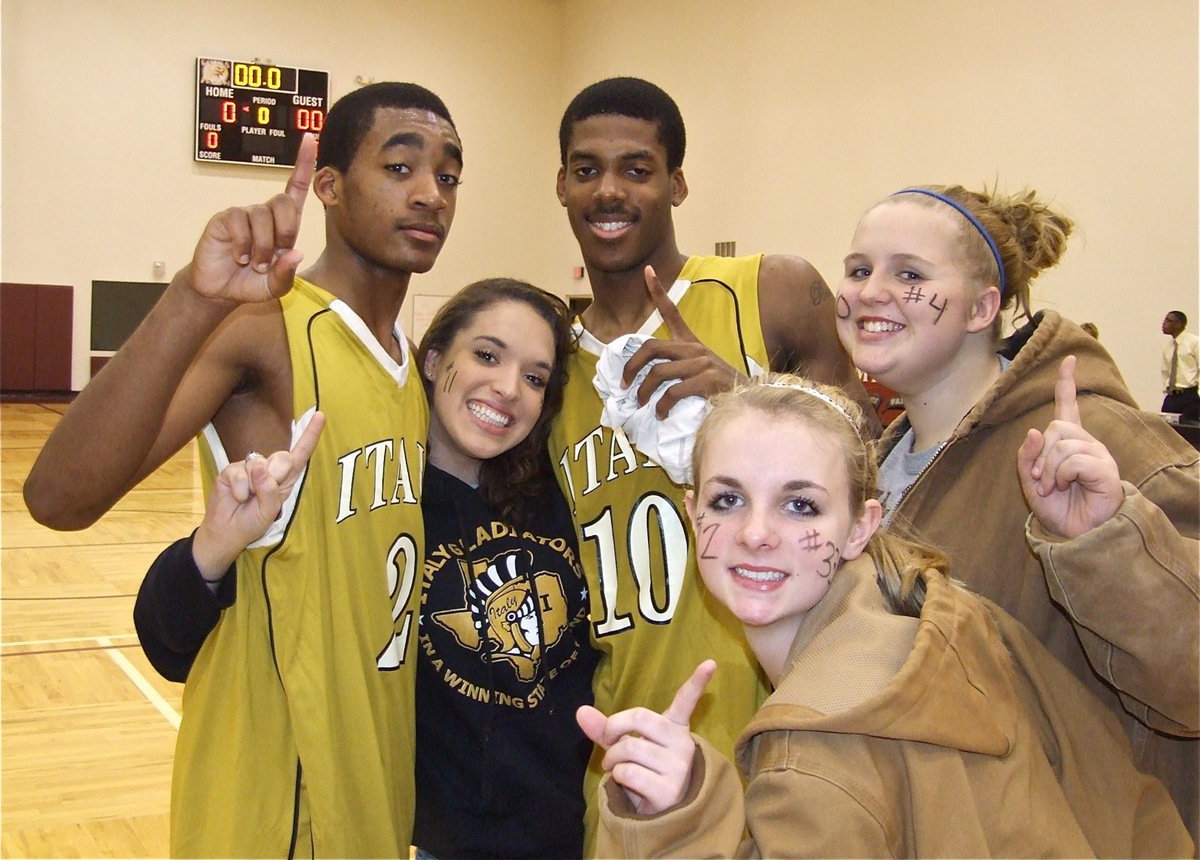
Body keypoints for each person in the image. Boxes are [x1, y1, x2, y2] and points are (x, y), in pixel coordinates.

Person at [23, 82, 464, 856]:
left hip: (373, 776)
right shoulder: (265, 329)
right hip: (270, 790)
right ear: (326, 185)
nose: (430, 194)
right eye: (399, 168)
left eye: (448, 176)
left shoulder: (416, 370)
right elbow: (58, 497)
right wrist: (194, 299)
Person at [580, 375, 1193, 858]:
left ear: (860, 528)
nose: (757, 534)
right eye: (728, 499)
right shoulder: (946, 613)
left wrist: (677, 818)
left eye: (800, 505)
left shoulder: (812, 755)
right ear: (692, 513)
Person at [134, 279, 599, 859]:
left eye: (534, 377)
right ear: (433, 360)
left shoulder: (560, 499)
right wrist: (213, 547)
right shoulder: (379, 503)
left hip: (579, 833)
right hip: (444, 842)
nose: (508, 388)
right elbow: (167, 644)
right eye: (486, 355)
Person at [548, 76, 878, 848]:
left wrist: (753, 398)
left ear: (677, 183)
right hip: (629, 733)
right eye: (586, 169)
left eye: (637, 168)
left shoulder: (770, 292)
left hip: (794, 720)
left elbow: (875, 460)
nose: (610, 190)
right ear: (561, 184)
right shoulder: (550, 365)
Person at [834, 184, 1200, 838]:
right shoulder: (871, 475)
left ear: (983, 308)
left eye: (909, 274)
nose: (870, 290)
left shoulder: (1100, 445)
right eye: (859, 270)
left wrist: (1108, 543)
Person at [1162, 310, 1199, 422]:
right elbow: (1165, 372)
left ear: (1178, 324)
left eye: (1168, 320)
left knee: (1188, 430)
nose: (1164, 323)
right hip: (1172, 396)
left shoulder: (1194, 342)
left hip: (1190, 395)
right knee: (1166, 428)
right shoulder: (1168, 347)